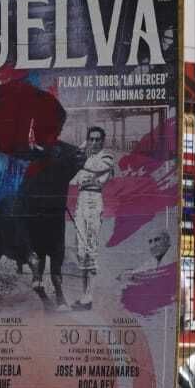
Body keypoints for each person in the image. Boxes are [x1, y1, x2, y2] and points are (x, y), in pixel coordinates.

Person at [66, 125, 118, 311]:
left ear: (102, 141)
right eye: (91, 139)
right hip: (81, 202)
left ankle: (88, 297)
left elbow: (97, 169)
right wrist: (79, 153)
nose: (94, 142)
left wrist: (80, 154)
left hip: (94, 202)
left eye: (97, 139)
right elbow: (72, 179)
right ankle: (84, 296)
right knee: (81, 252)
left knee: (90, 250)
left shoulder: (106, 156)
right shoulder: (86, 159)